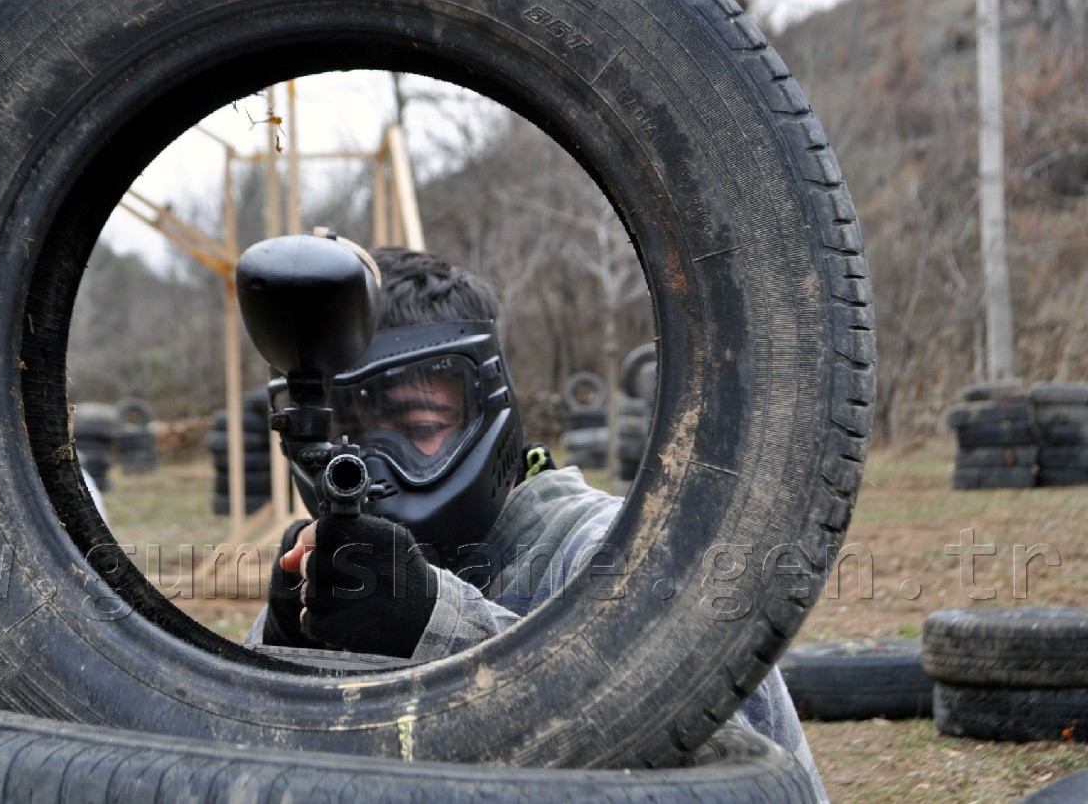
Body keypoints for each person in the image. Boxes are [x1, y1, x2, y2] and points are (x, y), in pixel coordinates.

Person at [245, 247, 826, 800]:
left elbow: (735, 776)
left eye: (417, 427)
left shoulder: (615, 550)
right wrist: (279, 648)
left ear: (492, 405)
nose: (373, 470)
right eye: (343, 442)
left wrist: (430, 627)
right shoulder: (337, 570)